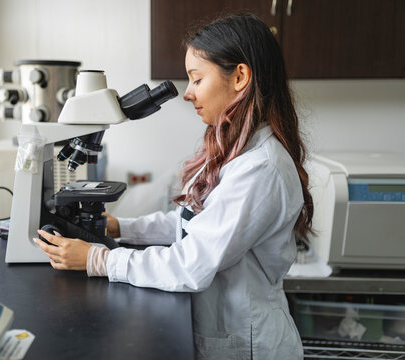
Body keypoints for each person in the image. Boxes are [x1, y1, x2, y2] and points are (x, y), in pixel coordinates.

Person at [34, 13, 313, 359]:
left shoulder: (261, 169)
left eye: (196, 79)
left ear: (239, 77)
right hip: (223, 328)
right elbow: (193, 222)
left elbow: (191, 264)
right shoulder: (237, 151)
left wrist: (98, 259)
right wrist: (123, 227)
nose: (187, 94)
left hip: (247, 343)